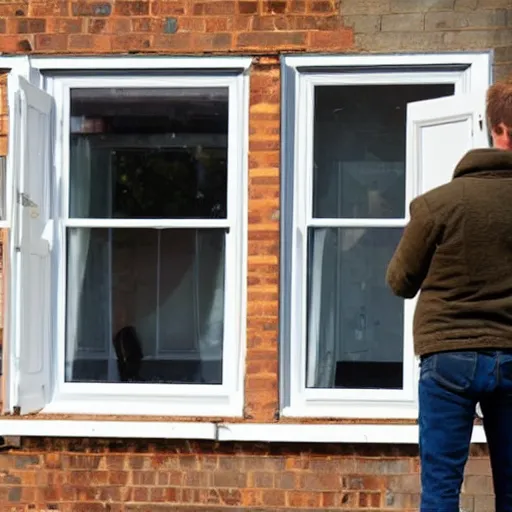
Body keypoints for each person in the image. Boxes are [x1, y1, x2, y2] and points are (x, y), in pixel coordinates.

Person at [386, 79, 512, 512]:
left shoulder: (435, 205)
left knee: (440, 493)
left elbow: (400, 282)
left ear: (497, 129)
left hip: (448, 357)